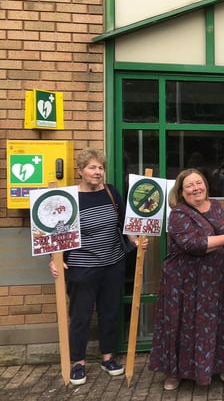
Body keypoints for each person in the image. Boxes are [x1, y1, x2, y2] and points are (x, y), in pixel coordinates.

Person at [149, 168, 224, 391]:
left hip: (219, 279)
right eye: (189, 185)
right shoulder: (177, 214)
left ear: (205, 184)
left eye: (199, 183)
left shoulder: (214, 205)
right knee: (183, 325)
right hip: (184, 282)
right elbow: (193, 244)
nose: (196, 188)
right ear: (181, 192)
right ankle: (175, 372)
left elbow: (222, 232)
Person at [48, 147, 144, 385]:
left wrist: (135, 239)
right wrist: (54, 258)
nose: (98, 172)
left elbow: (125, 222)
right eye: (92, 167)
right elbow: (55, 231)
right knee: (80, 316)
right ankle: (78, 363)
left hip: (113, 263)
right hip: (81, 266)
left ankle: (108, 358)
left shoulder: (111, 193)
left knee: (110, 312)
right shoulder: (69, 198)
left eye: (101, 167)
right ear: (80, 170)